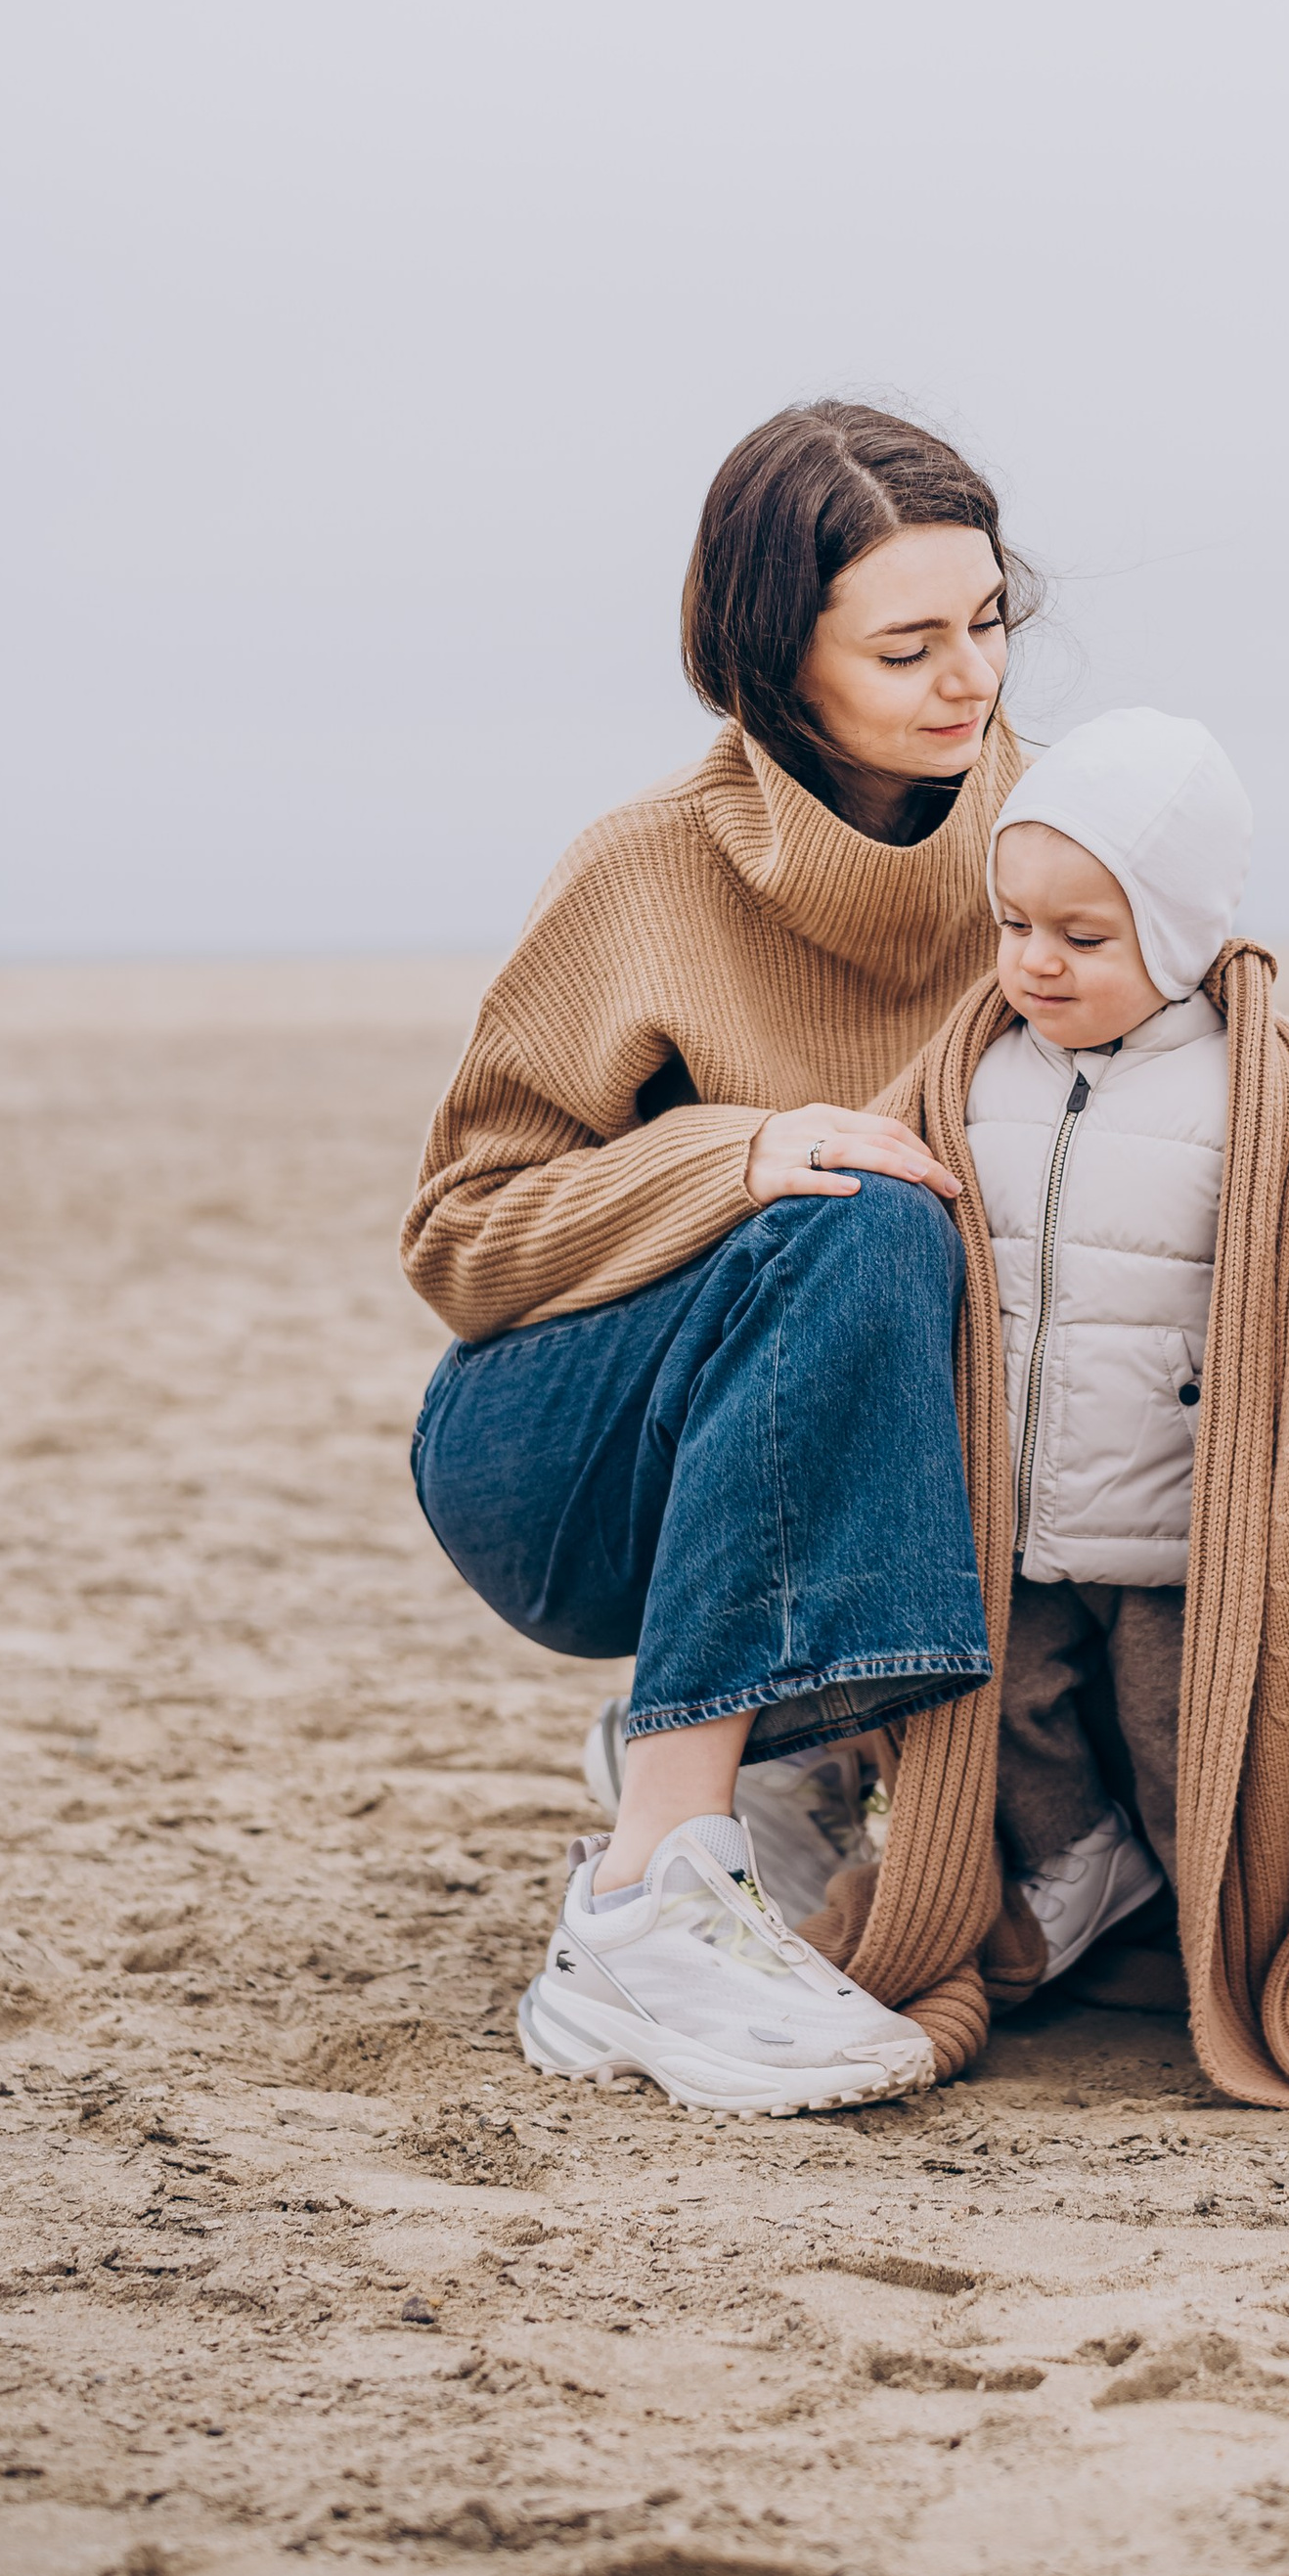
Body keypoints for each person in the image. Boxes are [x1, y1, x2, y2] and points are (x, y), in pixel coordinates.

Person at [400, 399, 1031, 2117]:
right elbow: (460, 1236)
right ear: (774, 659)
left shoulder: (1057, 850)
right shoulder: (648, 869)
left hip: (903, 1455)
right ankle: (645, 1894)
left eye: (989, 622)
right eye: (905, 645)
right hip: (563, 1459)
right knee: (861, 1212)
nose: (968, 679)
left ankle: (777, 1745)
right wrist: (735, 1155)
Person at [962, 709, 1253, 1982]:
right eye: (1013, 924)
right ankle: (1082, 1864)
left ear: (1178, 937)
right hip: (1013, 1509)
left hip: (1168, 1525)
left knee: (1179, 1740)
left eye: (1084, 938)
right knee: (1004, 1708)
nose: (1037, 963)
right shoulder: (980, 1076)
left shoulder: (1242, 1093)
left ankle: (1226, 1950)